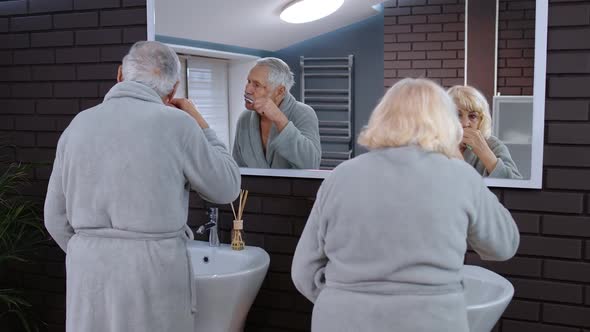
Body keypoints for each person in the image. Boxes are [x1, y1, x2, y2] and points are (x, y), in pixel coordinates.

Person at [291, 78, 519, 332]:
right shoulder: (461, 176)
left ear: (382, 118)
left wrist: (347, 298)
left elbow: (303, 271)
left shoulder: (339, 176)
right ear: (444, 123)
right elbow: (504, 245)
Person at [44, 41, 241, 332]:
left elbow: (54, 217)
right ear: (172, 90)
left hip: (88, 271)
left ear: (120, 74)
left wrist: (93, 250)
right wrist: (201, 124)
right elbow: (226, 187)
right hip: (153, 271)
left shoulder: (78, 125)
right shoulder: (178, 124)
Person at [232, 57, 321, 169]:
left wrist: (279, 119)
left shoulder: (303, 113)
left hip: (293, 187)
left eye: (256, 85)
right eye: (248, 81)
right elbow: (237, 168)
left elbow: (311, 164)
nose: (247, 90)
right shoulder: (244, 118)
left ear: (280, 91)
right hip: (252, 187)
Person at [448, 85, 523, 179]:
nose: (465, 123)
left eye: (472, 116)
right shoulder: (433, 145)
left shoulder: (493, 145)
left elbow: (517, 186)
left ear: (481, 121)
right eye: (458, 115)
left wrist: (485, 153)